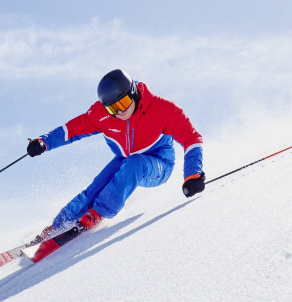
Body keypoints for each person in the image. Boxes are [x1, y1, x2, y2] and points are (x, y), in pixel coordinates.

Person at [27, 69, 205, 236]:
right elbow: (72, 129)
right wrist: (44, 142)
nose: (120, 111)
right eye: (113, 108)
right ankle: (59, 226)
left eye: (123, 103)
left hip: (159, 165)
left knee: (135, 164)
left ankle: (98, 213)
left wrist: (192, 174)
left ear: (133, 92)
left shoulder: (162, 109)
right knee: (95, 188)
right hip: (125, 159)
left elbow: (192, 138)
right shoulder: (101, 114)